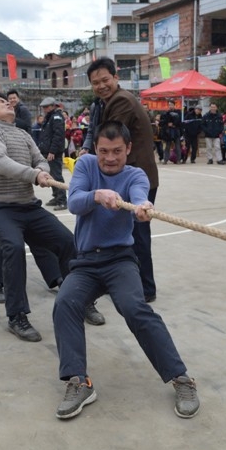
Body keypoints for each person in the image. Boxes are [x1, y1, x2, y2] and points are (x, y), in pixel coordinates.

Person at [52, 121, 200, 420]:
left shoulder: (135, 174)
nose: (109, 158)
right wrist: (97, 195)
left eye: (117, 151)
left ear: (128, 149)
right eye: (104, 151)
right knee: (65, 303)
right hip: (85, 261)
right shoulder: (86, 166)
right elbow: (74, 202)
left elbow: (140, 193)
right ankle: (78, 382)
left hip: (120, 259)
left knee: (135, 307)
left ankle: (181, 378)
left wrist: (143, 205)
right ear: (95, 149)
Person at [0, 88, 77, 342]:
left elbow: (40, 159)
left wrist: (42, 170)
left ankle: (78, 298)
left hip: (28, 206)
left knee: (67, 241)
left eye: (7, 101)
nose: (8, 103)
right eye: (1, 102)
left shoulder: (22, 133)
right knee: (12, 247)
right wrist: (34, 175)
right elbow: (0, 162)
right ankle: (17, 316)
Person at [80, 56, 160, 302]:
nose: (101, 85)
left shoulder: (121, 101)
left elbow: (109, 140)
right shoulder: (107, 102)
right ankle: (129, 284)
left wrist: (89, 162)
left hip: (134, 178)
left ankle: (145, 289)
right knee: (126, 233)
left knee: (137, 234)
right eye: (95, 82)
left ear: (116, 77)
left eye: (105, 80)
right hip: (128, 176)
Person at [38, 97, 67, 210]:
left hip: (53, 152)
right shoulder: (49, 117)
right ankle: (56, 197)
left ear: (53, 106)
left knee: (57, 176)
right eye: (44, 107)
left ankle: (62, 200)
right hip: (48, 151)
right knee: (52, 176)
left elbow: (58, 136)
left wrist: (52, 151)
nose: (45, 109)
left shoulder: (56, 117)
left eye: (47, 107)